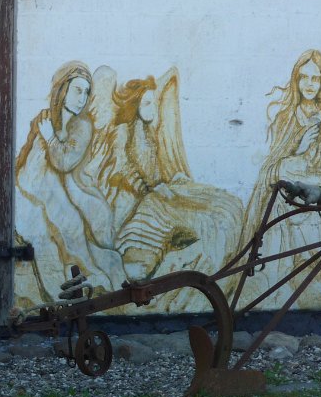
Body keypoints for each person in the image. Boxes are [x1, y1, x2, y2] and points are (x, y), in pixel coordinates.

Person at [96, 71, 242, 311]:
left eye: (155, 102)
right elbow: (124, 168)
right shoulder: (124, 132)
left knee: (210, 203)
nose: (153, 108)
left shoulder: (147, 132)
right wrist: (151, 188)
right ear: (135, 105)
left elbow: (152, 169)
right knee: (177, 212)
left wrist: (168, 180)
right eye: (147, 103)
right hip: (134, 196)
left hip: (152, 190)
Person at [239, 50, 321, 308]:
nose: (309, 83)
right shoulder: (286, 117)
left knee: (319, 217)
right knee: (280, 208)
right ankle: (275, 287)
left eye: (315, 78)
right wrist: (298, 145)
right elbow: (272, 167)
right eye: (303, 77)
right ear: (296, 80)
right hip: (290, 187)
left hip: (318, 190)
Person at [15, 61, 125, 305]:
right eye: (78, 90)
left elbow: (64, 163)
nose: (82, 98)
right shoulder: (44, 118)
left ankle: (89, 276)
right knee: (65, 220)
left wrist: (52, 138)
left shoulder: (83, 126)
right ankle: (76, 280)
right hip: (35, 183)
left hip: (58, 183)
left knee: (74, 221)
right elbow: (29, 161)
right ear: (63, 89)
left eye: (86, 92)